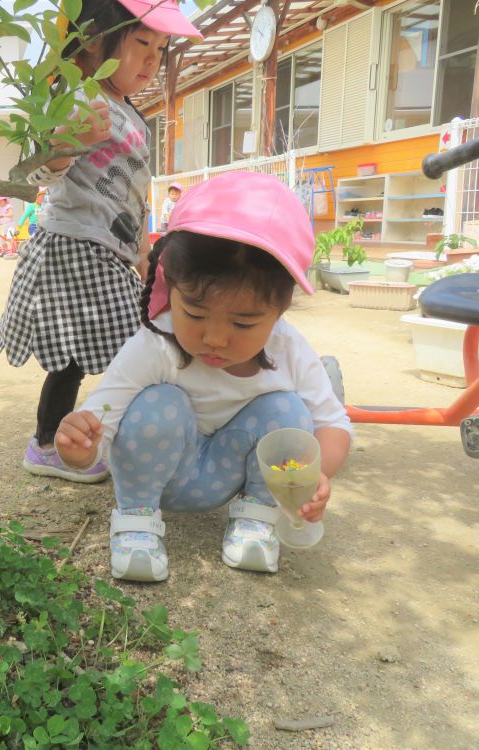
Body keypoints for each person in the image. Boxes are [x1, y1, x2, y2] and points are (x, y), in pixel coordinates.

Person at [54, 172, 353, 581]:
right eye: (193, 313)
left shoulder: (288, 349)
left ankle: (256, 520)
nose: (214, 339)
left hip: (232, 476)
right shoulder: (156, 342)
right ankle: (136, 522)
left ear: (281, 308)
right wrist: (81, 449)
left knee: (288, 410)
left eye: (244, 323)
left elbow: (332, 424)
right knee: (161, 402)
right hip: (160, 478)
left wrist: (317, 475)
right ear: (169, 286)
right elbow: (101, 419)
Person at [0, 0, 202, 483]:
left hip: (111, 249)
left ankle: (92, 434)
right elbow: (38, 171)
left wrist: (147, 253)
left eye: (161, 49)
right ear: (90, 46)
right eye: (141, 44)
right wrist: (64, 142)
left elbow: (135, 192)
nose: (152, 60)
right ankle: (47, 445)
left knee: (120, 346)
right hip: (72, 246)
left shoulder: (131, 113)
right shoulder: (81, 98)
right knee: (77, 354)